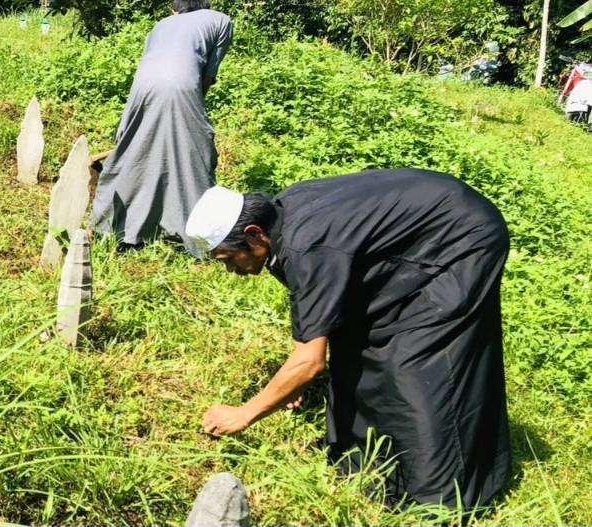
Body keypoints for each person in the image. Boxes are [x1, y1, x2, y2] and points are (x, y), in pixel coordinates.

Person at [185, 169, 512, 510]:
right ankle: (365, 460)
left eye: (228, 259)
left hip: (463, 239)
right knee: (357, 337)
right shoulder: (281, 218)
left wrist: (244, 414)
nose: (231, 270)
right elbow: (319, 318)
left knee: (414, 360)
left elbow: (310, 362)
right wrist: (291, 381)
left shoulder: (306, 246)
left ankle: (441, 497)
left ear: (254, 234)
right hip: (429, 227)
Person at [90, 0, 234, 258]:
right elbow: (208, 75)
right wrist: (193, 112)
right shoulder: (220, 20)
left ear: (175, 10)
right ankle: (199, 236)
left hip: (141, 87)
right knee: (191, 156)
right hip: (181, 85)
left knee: (135, 153)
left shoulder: (161, 24)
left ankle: (113, 227)